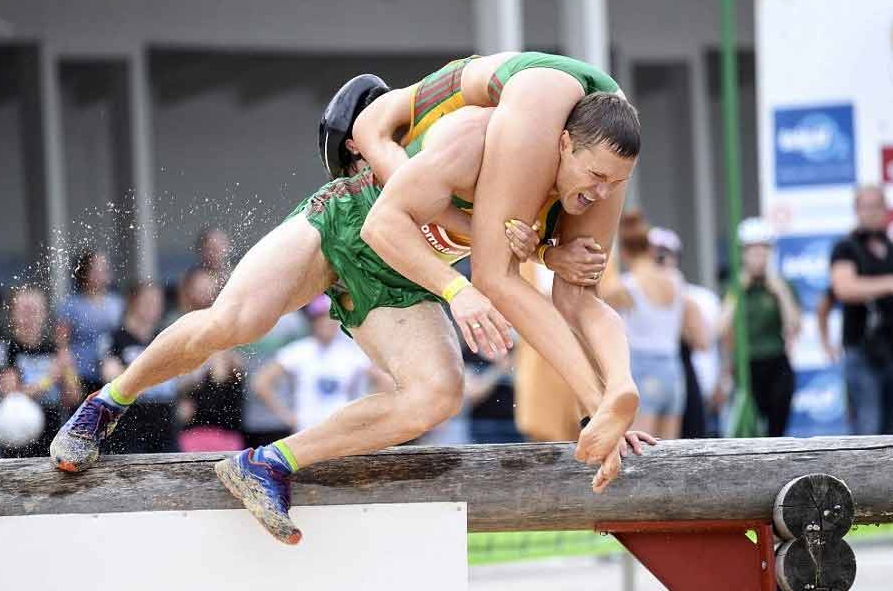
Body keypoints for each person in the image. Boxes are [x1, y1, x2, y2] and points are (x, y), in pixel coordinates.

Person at [51, 71, 648, 545]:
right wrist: (460, 290)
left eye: (611, 184)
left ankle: (269, 463)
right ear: (561, 142)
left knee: (436, 396)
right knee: (236, 322)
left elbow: (580, 304)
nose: (598, 193)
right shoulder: (477, 138)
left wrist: (607, 406)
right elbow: (389, 224)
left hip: (405, 277)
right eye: (594, 175)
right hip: (351, 221)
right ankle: (106, 403)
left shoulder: (574, 196)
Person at [355, 52, 645, 482]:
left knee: (494, 277)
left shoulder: (371, 120)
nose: (605, 192)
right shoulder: (507, 126)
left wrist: (529, 250)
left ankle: (601, 406)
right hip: (612, 112)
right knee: (581, 289)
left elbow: (410, 200)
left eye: (612, 183)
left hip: (545, 100)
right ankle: (618, 384)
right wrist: (545, 252)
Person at [601, 213, 709, 441]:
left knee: (640, 447)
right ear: (650, 248)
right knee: (669, 449)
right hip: (673, 369)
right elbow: (701, 337)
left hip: (642, 368)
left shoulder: (625, 286)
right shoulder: (676, 281)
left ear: (624, 252)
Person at [252, 296, 390, 435]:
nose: (327, 322)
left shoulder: (351, 352)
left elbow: (385, 381)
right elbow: (261, 382)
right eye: (321, 318)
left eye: (331, 318)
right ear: (313, 322)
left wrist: (362, 413)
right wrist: (287, 416)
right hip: (304, 431)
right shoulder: (298, 351)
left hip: (341, 430)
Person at [719, 217, 801, 437]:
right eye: (753, 251)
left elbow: (794, 326)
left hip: (776, 361)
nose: (758, 257)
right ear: (743, 254)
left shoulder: (781, 285)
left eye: (763, 251)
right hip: (747, 365)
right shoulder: (733, 286)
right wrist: (738, 291)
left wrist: (781, 292)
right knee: (747, 429)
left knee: (777, 428)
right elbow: (721, 328)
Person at [830, 185, 893, 435]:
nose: (873, 212)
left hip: (890, 349)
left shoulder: (889, 248)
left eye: (878, 205)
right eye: (867, 206)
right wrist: (888, 284)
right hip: (862, 351)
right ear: (857, 210)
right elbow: (843, 288)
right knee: (868, 428)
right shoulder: (846, 247)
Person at [648, 227, 722, 438]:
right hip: (645, 379)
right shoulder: (630, 291)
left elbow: (703, 342)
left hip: (681, 376)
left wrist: (675, 297)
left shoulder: (690, 298)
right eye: (652, 255)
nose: (658, 262)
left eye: (664, 255)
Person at [0, 287, 81, 457]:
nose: (29, 317)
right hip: (16, 441)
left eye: (35, 310)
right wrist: (48, 380)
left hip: (53, 438)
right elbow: (11, 394)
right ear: (13, 315)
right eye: (24, 310)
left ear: (44, 314)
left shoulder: (55, 349)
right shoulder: (5, 348)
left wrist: (68, 373)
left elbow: (73, 397)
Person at [100, 282, 177, 454]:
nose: (155, 307)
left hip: (166, 423)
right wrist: (152, 372)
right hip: (131, 424)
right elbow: (110, 375)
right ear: (132, 302)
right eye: (148, 302)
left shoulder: (164, 337)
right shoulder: (115, 338)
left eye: (158, 302)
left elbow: (179, 377)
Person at [55, 251, 124, 394]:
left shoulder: (117, 303)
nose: (103, 272)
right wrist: (70, 378)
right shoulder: (71, 305)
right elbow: (62, 345)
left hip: (112, 370)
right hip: (81, 372)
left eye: (105, 268)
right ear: (84, 272)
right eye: (98, 268)